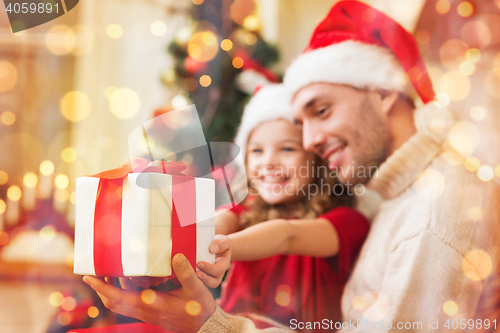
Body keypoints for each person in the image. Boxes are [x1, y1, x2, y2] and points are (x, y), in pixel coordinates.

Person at [84, 1, 500, 332]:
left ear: (384, 93)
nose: (310, 141)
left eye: (322, 110)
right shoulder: (398, 199)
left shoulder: (431, 216)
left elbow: (285, 236)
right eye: (301, 124)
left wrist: (209, 324)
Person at [213, 84, 369, 330]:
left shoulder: (347, 222)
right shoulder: (248, 212)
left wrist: (224, 247)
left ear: (317, 160)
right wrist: (201, 235)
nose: (269, 162)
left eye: (287, 149)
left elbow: (287, 235)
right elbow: (221, 220)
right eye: (257, 151)